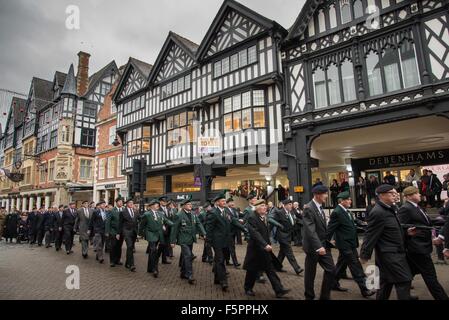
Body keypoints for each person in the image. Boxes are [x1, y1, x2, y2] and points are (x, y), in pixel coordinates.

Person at [360, 184, 414, 300]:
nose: (395, 196)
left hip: (391, 254)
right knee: (404, 280)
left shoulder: (391, 209)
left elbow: (390, 229)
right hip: (390, 255)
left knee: (385, 283)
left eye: (395, 193)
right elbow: (370, 235)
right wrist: (364, 255)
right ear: (382, 195)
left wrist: (406, 233)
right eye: (392, 193)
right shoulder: (378, 212)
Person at [398, 186, 448, 300]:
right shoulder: (405, 208)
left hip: (421, 246)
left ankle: (403, 296)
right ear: (409, 196)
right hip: (417, 248)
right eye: (417, 193)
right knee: (430, 276)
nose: (420, 195)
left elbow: (426, 223)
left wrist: (442, 222)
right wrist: (408, 233)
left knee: (409, 273)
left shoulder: (417, 207)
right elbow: (400, 227)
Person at [326, 192, 376, 298]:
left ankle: (332, 283)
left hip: (351, 243)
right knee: (355, 265)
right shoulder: (337, 212)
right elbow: (330, 229)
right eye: (348, 199)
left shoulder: (346, 211)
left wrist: (364, 224)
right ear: (341, 201)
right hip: (344, 245)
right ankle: (365, 289)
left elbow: (353, 221)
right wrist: (325, 243)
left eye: (350, 199)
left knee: (341, 265)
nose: (350, 201)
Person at [243, 199, 290, 298]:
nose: (265, 208)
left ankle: (279, 290)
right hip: (255, 249)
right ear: (257, 208)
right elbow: (255, 233)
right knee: (252, 270)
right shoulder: (252, 217)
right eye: (262, 206)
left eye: (265, 206)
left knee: (270, 269)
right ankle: (248, 288)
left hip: (264, 249)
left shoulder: (264, 217)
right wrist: (265, 244)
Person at [206, 193, 246, 291]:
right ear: (217, 202)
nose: (224, 202)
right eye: (222, 201)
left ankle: (216, 278)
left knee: (219, 259)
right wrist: (208, 241)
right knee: (220, 260)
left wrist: (245, 229)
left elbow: (234, 221)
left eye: (224, 201)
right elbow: (209, 228)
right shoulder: (213, 213)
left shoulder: (227, 211)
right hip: (217, 241)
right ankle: (223, 281)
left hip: (226, 240)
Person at [303, 185, 336, 300]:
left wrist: (329, 240)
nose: (327, 196)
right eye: (325, 194)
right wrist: (318, 247)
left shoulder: (320, 207)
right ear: (317, 195)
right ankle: (309, 296)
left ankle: (325, 296)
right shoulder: (309, 208)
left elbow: (321, 227)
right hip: (314, 247)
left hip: (323, 245)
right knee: (310, 273)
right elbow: (310, 230)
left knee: (331, 270)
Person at [170, 196, 206, 285]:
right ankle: (190, 275)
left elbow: (199, 224)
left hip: (191, 239)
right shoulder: (178, 215)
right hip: (183, 239)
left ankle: (182, 273)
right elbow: (174, 229)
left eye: (190, 204)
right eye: (188, 204)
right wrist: (172, 241)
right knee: (188, 256)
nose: (190, 205)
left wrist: (204, 233)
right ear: (183, 206)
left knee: (185, 256)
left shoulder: (193, 214)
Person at [141, 199, 173, 278]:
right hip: (151, 234)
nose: (157, 205)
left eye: (158, 204)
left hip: (159, 234)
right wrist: (139, 234)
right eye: (156, 204)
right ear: (151, 206)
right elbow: (142, 225)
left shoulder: (161, 213)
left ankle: (149, 268)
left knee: (153, 251)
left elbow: (166, 220)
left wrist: (174, 225)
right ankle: (155, 269)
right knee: (154, 250)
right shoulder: (147, 214)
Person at [273, 199, 304, 275]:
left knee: (282, 252)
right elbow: (273, 222)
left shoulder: (292, 212)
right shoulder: (280, 213)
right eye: (289, 204)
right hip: (282, 236)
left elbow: (296, 220)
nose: (291, 206)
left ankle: (277, 266)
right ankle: (297, 268)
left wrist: (305, 223)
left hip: (289, 236)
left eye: (291, 204)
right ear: (285, 205)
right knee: (289, 252)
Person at [119, 199, 139, 272]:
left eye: (132, 202)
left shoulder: (135, 211)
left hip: (134, 232)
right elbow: (120, 223)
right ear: (126, 204)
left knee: (130, 248)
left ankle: (127, 263)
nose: (131, 204)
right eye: (130, 202)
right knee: (130, 246)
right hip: (126, 231)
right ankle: (132, 265)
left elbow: (140, 219)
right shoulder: (123, 212)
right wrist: (118, 233)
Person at [224, 198, 243, 268]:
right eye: (231, 202)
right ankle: (235, 263)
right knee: (232, 247)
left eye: (233, 202)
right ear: (227, 203)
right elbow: (231, 219)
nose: (233, 203)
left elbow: (240, 215)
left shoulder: (235, 210)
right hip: (228, 232)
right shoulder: (225, 211)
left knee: (228, 247)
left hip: (234, 231)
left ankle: (227, 260)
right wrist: (238, 220)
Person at [106, 198, 124, 267]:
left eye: (121, 202)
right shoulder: (112, 210)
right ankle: (112, 261)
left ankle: (118, 260)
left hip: (121, 232)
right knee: (113, 246)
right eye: (119, 202)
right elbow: (108, 221)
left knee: (119, 246)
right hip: (113, 231)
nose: (120, 203)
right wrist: (107, 231)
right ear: (116, 202)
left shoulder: (123, 210)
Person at [158, 196, 173, 264]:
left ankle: (164, 259)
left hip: (168, 230)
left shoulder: (168, 209)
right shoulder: (158, 209)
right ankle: (156, 257)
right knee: (162, 245)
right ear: (160, 202)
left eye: (166, 201)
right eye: (163, 201)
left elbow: (170, 219)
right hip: (161, 230)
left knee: (166, 245)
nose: (165, 202)